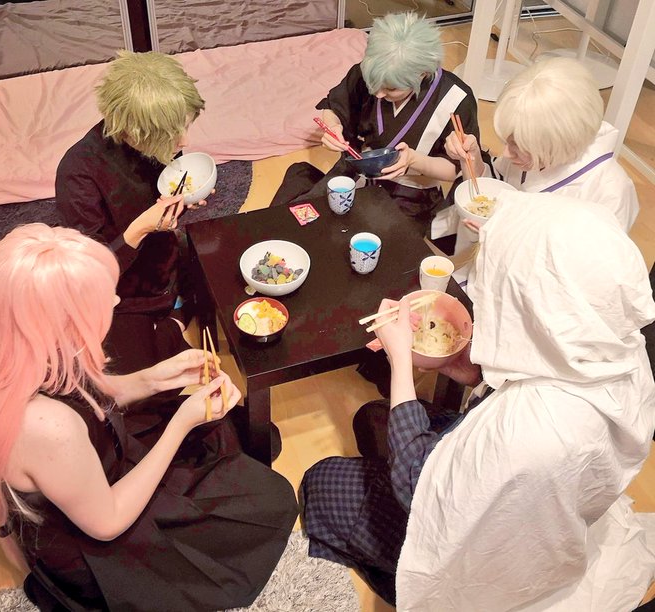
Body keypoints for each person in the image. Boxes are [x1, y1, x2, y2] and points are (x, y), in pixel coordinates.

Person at [300, 193, 655, 610]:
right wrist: (462, 365)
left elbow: (416, 483)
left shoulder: (536, 429)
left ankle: (401, 583)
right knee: (372, 418)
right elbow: (523, 371)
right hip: (524, 493)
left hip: (482, 551)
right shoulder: (621, 349)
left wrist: (400, 363)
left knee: (321, 482)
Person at [0, 224, 298, 611]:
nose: (114, 300)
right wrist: (181, 423)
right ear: (59, 324)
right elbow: (106, 522)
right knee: (268, 501)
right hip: (94, 539)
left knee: (232, 442)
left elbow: (91, 396)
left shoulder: (14, 348)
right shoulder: (46, 426)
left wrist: (154, 378)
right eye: (99, 301)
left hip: (96, 466)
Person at [56, 50, 207, 375]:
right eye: (172, 134)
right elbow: (89, 276)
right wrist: (141, 228)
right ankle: (175, 321)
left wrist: (181, 202)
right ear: (134, 131)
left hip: (166, 264)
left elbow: (164, 202)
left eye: (184, 127)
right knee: (136, 385)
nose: (183, 140)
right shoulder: (79, 173)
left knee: (231, 273)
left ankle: (176, 314)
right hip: (121, 293)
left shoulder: (156, 144)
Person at [271, 12, 481, 234]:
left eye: (391, 88)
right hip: (352, 175)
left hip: (411, 195)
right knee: (296, 224)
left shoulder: (456, 99)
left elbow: (454, 170)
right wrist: (333, 127)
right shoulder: (370, 74)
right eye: (374, 85)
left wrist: (414, 160)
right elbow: (334, 107)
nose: (378, 93)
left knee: (368, 242)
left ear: (422, 74)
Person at [440, 56, 639, 237]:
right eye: (507, 142)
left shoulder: (610, 192)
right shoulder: (535, 147)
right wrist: (471, 159)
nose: (506, 153)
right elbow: (494, 191)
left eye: (518, 146)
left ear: (559, 142)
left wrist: (507, 235)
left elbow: (595, 262)